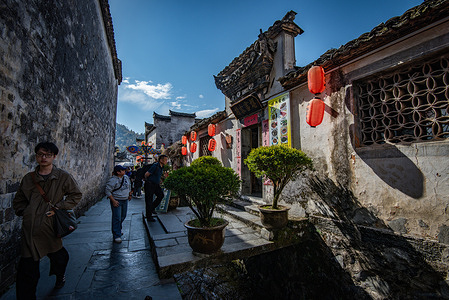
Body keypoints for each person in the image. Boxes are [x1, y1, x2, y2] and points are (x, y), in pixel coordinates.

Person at [13, 141, 82, 299]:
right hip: (30, 229)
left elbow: (76, 194)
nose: (43, 157)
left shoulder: (62, 177)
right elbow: (19, 201)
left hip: (50, 227)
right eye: (40, 154)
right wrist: (27, 212)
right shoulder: (29, 179)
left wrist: (59, 207)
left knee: (59, 257)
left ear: (54, 157)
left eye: (47, 155)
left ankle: (59, 275)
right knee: (27, 271)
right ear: (36, 156)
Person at [105, 165, 132, 243]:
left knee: (123, 216)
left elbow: (129, 186)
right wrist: (113, 200)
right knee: (117, 217)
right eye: (122, 170)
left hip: (125, 200)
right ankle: (116, 234)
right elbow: (107, 191)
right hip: (117, 200)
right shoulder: (113, 180)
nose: (124, 171)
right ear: (118, 172)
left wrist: (129, 194)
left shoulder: (126, 177)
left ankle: (118, 230)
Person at [144, 155, 168, 222]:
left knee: (161, 195)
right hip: (150, 184)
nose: (166, 161)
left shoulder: (162, 167)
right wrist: (149, 180)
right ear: (161, 160)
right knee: (149, 200)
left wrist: (159, 180)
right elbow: (147, 174)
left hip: (156, 184)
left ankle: (152, 208)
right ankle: (149, 216)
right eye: (165, 160)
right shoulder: (155, 166)